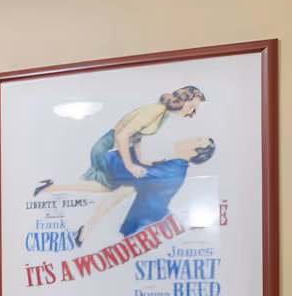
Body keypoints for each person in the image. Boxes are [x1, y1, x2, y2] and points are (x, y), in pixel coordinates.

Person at [33, 86, 208, 244]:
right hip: (107, 148)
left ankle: (54, 191)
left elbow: (137, 137)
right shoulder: (156, 110)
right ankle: (82, 226)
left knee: (113, 188)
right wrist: (131, 165)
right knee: (116, 188)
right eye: (192, 107)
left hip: (119, 149)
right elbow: (123, 135)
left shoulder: (163, 115)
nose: (191, 112)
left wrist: (140, 161)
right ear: (183, 100)